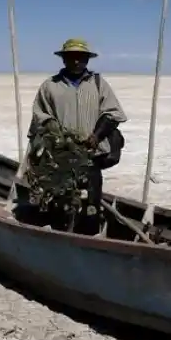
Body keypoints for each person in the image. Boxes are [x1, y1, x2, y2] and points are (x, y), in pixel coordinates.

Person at [27, 38, 128, 232]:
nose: (76, 62)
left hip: (92, 155)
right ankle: (60, 230)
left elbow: (113, 113)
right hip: (60, 157)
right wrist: (56, 135)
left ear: (87, 60)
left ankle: (90, 232)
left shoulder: (98, 84)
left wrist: (96, 136)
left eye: (81, 58)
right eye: (71, 57)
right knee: (61, 201)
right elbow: (40, 117)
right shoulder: (50, 86)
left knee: (91, 200)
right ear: (63, 59)